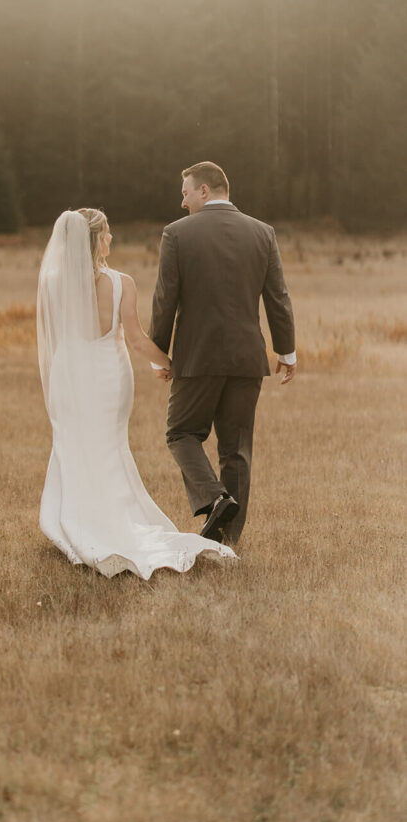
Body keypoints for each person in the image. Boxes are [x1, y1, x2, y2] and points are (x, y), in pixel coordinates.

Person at [37, 207, 236, 579]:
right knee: (109, 447)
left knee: (75, 443)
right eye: (108, 232)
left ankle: (76, 520)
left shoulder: (52, 282)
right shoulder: (121, 282)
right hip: (109, 376)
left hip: (69, 373)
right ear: (95, 239)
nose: (111, 238)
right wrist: (169, 364)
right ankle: (110, 519)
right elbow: (136, 339)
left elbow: (53, 338)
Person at [149, 161, 296, 545]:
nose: (182, 203)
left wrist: (158, 355)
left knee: (181, 432)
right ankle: (226, 543)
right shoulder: (263, 233)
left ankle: (215, 499)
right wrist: (287, 350)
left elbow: (165, 300)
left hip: (196, 358)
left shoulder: (176, 235)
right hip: (247, 359)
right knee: (236, 450)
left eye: (185, 193)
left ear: (204, 190)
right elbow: (278, 297)